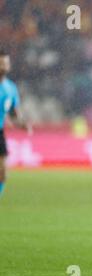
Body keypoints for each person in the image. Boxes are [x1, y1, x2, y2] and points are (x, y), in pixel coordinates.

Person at [0, 49, 32, 198]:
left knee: (3, 173)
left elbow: (13, 114)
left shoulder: (10, 88)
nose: (4, 65)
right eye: (2, 62)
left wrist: (22, 124)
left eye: (6, 62)